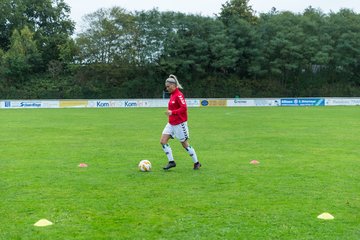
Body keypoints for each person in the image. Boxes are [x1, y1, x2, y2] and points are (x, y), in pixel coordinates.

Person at [160, 74, 202, 170]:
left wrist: (172, 112)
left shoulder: (179, 95)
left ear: (174, 85)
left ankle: (197, 163)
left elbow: (184, 108)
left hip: (180, 124)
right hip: (171, 123)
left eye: (168, 86)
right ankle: (171, 162)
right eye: (166, 86)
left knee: (184, 144)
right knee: (163, 141)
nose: (167, 88)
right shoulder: (172, 95)